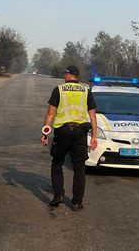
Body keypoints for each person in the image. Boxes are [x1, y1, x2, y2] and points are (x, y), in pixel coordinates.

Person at [41, 65, 97, 211]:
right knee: (79, 167)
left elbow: (50, 114)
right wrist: (94, 137)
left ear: (69, 75)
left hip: (62, 131)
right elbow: (92, 116)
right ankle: (77, 202)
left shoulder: (59, 90)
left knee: (57, 162)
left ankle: (58, 195)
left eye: (65, 73)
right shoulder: (86, 90)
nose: (63, 76)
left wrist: (45, 133)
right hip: (80, 132)